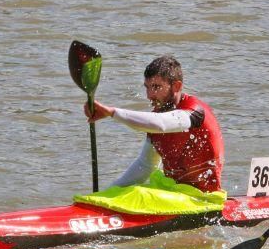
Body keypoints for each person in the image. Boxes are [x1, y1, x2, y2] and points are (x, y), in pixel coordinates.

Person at [84, 55, 224, 193]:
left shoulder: (194, 112)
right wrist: (105, 195)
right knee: (131, 193)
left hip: (204, 199)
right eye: (147, 87)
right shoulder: (154, 119)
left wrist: (112, 112)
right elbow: (145, 165)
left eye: (156, 87)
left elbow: (160, 124)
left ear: (176, 86)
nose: (149, 95)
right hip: (173, 193)